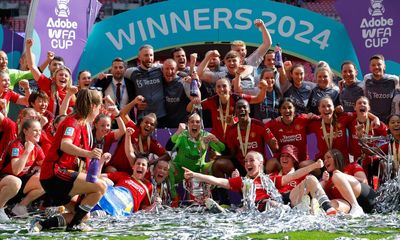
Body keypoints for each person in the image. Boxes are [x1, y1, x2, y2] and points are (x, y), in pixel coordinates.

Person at [34, 89, 108, 232]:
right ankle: (74, 225)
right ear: (93, 106)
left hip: (58, 176)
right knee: (101, 187)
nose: (100, 111)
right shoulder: (72, 122)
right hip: (54, 174)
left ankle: (42, 224)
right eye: (99, 108)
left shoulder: (80, 122)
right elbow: (65, 145)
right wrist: (89, 153)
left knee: (83, 215)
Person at [183, 151, 283, 212]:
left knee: (272, 203)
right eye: (245, 161)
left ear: (260, 163)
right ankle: (222, 212)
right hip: (251, 208)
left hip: (267, 205)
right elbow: (218, 181)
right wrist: (194, 174)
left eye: (251, 160)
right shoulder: (242, 181)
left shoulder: (270, 178)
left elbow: (292, 176)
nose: (248, 163)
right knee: (240, 210)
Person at [187, 78, 268, 143]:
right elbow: (189, 109)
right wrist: (193, 102)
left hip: (236, 138)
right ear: (215, 90)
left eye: (224, 86)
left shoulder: (237, 98)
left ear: (230, 89)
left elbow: (258, 99)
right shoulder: (212, 100)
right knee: (216, 160)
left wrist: (264, 89)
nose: (221, 89)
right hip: (217, 140)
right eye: (218, 87)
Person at [105, 97, 170, 174]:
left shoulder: (152, 143)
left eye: (152, 124)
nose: (148, 125)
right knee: (111, 171)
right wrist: (134, 102)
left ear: (154, 129)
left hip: (132, 175)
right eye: (146, 122)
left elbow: (167, 156)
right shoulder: (133, 128)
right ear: (141, 123)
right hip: (115, 168)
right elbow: (122, 114)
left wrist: (151, 162)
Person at [168, 112, 225, 200]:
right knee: (167, 167)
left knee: (216, 165)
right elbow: (168, 147)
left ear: (201, 125)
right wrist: (178, 132)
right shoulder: (182, 135)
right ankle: (174, 198)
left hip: (200, 170)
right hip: (181, 170)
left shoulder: (206, 136)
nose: (195, 124)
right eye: (192, 122)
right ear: (187, 125)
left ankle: (217, 198)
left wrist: (217, 141)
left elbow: (223, 150)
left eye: (198, 122)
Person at [270, 145, 337, 215]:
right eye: (282, 156)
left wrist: (324, 181)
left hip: (293, 198)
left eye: (288, 156)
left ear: (294, 159)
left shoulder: (302, 175)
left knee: (311, 179)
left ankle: (327, 207)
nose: (284, 158)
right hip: (278, 201)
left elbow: (314, 186)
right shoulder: (273, 175)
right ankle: (308, 206)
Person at [0, 119, 45, 217]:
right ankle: (0, 209)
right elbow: (16, 171)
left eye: (40, 130)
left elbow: (47, 167)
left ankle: (19, 207)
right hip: (5, 180)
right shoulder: (17, 145)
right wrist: (27, 151)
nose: (38, 133)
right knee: (15, 182)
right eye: (35, 130)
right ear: (25, 131)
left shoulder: (37, 147)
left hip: (19, 183)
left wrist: (40, 170)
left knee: (46, 179)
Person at [224, 99, 278, 176]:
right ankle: (223, 187)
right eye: (239, 108)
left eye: (244, 107)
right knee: (219, 164)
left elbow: (275, 148)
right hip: (241, 166)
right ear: (235, 111)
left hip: (258, 165)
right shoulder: (232, 130)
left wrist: (274, 143)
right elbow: (232, 153)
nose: (242, 109)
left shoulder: (259, 125)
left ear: (249, 110)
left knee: (276, 162)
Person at [26, 39, 75, 116]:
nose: (63, 77)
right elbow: (32, 67)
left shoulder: (70, 93)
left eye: (66, 76)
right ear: (54, 78)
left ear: (69, 80)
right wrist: (28, 48)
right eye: (61, 75)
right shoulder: (47, 83)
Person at [321, 149, 375, 217]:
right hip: (348, 205)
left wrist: (343, 176)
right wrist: (324, 181)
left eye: (328, 157)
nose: (325, 161)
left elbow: (364, 181)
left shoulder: (352, 166)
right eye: (324, 159)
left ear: (337, 157)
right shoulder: (328, 180)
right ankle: (355, 208)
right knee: (329, 205)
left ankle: (356, 206)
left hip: (364, 196)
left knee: (336, 175)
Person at [265, 98, 317, 166]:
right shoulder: (275, 123)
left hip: (301, 163)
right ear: (280, 110)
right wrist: (271, 138)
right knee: (270, 164)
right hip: (284, 164)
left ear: (294, 109)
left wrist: (313, 115)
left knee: (307, 165)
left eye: (289, 107)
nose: (287, 110)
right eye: (284, 108)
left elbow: (320, 119)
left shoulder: (303, 119)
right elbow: (262, 127)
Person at [124, 45, 167, 127]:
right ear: (139, 57)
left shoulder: (160, 69)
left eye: (151, 55)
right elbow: (117, 76)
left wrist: (188, 77)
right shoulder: (131, 72)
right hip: (143, 117)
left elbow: (175, 71)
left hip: (161, 116)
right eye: (146, 55)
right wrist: (104, 77)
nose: (149, 57)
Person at [349, 96, 387, 184]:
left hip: (372, 160)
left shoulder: (375, 123)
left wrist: (376, 119)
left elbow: (388, 134)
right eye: (359, 103)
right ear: (355, 108)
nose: (362, 104)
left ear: (369, 108)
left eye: (364, 103)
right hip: (356, 160)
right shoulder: (350, 121)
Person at [363, 54, 399, 122]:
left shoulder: (394, 80)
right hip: (372, 120)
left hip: (389, 122)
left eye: (379, 64)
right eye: (373, 65)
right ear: (370, 68)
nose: (376, 67)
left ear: (384, 67)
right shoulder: (367, 78)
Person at [162, 58, 191, 127]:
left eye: (172, 69)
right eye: (167, 68)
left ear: (177, 70)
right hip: (165, 124)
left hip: (182, 124)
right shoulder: (159, 81)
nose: (169, 71)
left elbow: (195, 99)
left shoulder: (184, 81)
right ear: (162, 70)